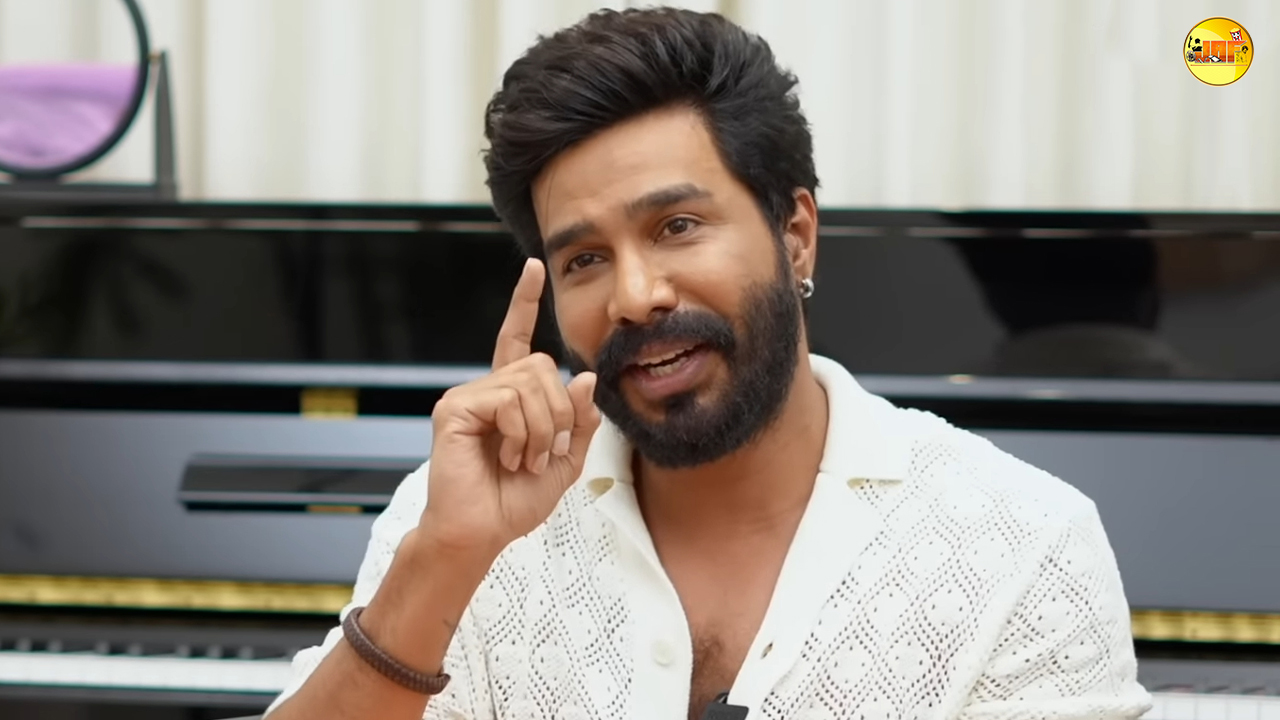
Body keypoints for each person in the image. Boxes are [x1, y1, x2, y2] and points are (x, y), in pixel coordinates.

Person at [265, 7, 1150, 720]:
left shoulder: (1020, 545)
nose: (634, 295)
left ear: (795, 234)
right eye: (584, 259)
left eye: (676, 227)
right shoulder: (449, 518)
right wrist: (447, 560)